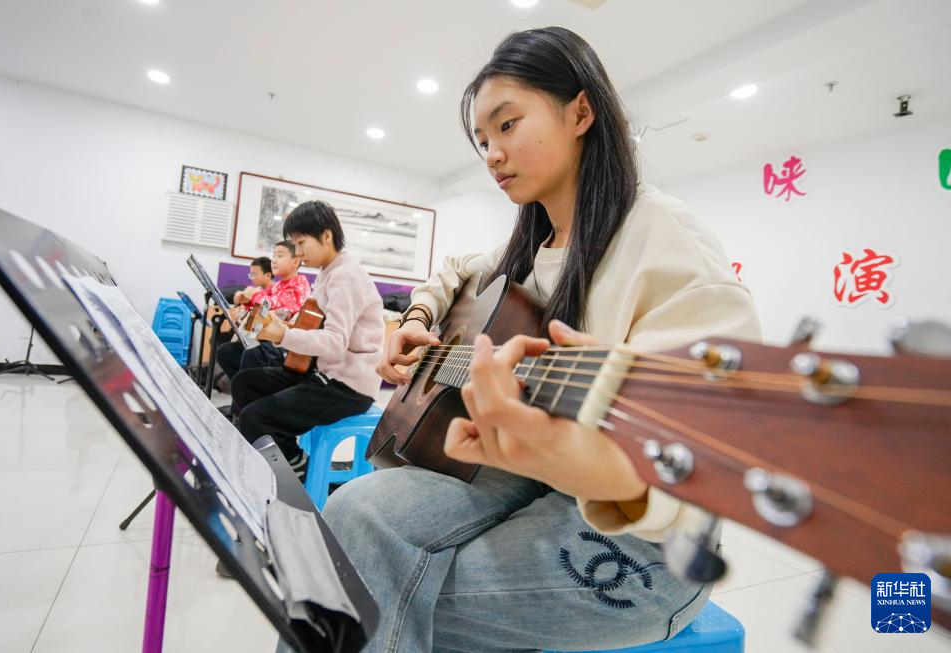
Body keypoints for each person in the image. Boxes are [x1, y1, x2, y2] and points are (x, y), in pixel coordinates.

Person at [309, 27, 761, 652]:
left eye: (508, 124)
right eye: (483, 140)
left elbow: (705, 449)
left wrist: (567, 456)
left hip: (650, 542)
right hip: (539, 478)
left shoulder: (663, 238)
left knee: (366, 586)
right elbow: (456, 271)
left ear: (581, 111)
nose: (492, 153)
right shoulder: (532, 243)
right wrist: (417, 317)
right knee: (349, 514)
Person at [230, 200, 384, 481]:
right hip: (324, 373)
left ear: (326, 236)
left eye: (301, 243)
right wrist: (282, 328)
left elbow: (335, 342)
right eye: (294, 244)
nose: (298, 252)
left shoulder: (346, 276)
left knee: (256, 417)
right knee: (245, 382)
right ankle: (271, 455)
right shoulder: (328, 272)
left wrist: (282, 334)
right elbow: (317, 325)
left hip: (348, 387)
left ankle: (296, 467)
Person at [216, 242, 310, 381]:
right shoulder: (277, 285)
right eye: (273, 255)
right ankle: (241, 386)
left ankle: (247, 387)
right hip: (265, 336)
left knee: (250, 353)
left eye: (280, 255)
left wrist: (253, 295)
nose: (274, 260)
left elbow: (274, 305)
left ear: (295, 261)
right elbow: (261, 307)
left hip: (282, 343)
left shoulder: (300, 283)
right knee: (225, 352)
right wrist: (245, 302)